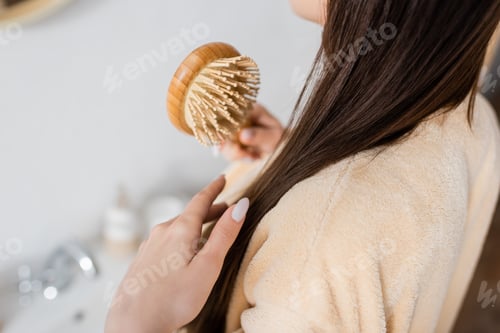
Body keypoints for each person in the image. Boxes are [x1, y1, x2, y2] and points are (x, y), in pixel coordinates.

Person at [106, 0, 500, 332]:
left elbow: (329, 251)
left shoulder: (314, 260)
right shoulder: (474, 121)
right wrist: (297, 163)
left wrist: (136, 319)